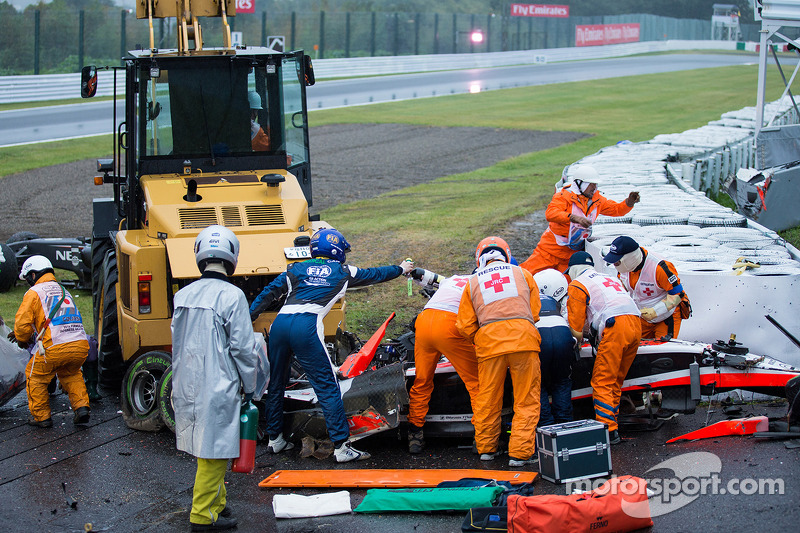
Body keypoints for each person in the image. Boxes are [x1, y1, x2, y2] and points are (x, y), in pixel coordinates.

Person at [250, 228, 413, 463]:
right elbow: (376, 274)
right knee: (327, 386)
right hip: (306, 326)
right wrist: (400, 269)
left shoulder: (295, 268)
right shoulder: (343, 271)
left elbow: (268, 293)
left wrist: (249, 316)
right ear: (336, 250)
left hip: (280, 325)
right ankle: (341, 446)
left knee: (276, 383)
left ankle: (275, 440)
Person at [171, 225, 258, 532]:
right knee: (214, 450)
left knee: (207, 448)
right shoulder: (233, 296)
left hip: (185, 381)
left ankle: (217, 505)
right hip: (218, 384)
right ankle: (202, 515)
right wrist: (253, 385)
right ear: (232, 256)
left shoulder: (182, 295)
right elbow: (243, 349)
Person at [456, 236, 542, 467]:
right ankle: (520, 454)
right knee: (526, 399)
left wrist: (482, 337)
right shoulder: (523, 274)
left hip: (489, 345)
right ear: (506, 254)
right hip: (524, 340)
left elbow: (464, 324)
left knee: (488, 399)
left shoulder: (472, 282)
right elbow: (534, 312)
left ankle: (486, 449)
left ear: (480, 258)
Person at [564, 252, 641, 445]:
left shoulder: (577, 284)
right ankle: (613, 421)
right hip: (635, 323)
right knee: (616, 379)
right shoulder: (608, 277)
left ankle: (608, 430)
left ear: (573, 269)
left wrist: (577, 344)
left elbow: (575, 330)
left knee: (602, 381)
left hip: (615, 327)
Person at [8, 255, 90, 428]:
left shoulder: (34, 292)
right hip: (80, 345)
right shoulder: (63, 290)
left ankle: (41, 417)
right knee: (71, 374)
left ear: (32, 275)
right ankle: (82, 408)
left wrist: (22, 339)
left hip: (55, 347)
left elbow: (23, 325)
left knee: (34, 376)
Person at [406, 268, 480, 454]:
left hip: (424, 321)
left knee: (422, 380)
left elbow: (433, 278)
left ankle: (415, 434)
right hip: (449, 325)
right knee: (477, 383)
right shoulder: (483, 283)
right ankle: (483, 437)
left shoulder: (455, 278)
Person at [520, 165, 640, 275]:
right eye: (591, 184)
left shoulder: (597, 200)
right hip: (550, 249)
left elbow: (616, 210)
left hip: (572, 254)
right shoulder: (563, 196)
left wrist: (628, 203)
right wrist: (573, 218)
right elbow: (551, 213)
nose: (594, 187)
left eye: (595, 184)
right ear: (579, 183)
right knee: (526, 275)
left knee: (566, 285)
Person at [603, 236, 691, 340]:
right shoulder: (624, 268)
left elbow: (678, 295)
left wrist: (655, 311)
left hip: (666, 317)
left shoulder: (659, 267)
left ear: (629, 258)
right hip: (642, 316)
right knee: (634, 347)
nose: (615, 265)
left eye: (617, 262)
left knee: (662, 350)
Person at [532, 269, 576, 426]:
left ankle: (546, 425)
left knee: (537, 384)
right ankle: (565, 424)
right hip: (562, 333)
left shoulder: (527, 297)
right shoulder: (558, 299)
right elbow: (570, 321)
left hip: (539, 336)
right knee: (562, 381)